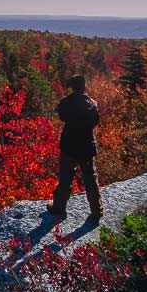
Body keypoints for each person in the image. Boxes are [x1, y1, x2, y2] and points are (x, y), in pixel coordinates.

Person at [47, 74, 103, 222]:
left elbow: (62, 116)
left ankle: (59, 208)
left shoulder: (66, 103)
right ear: (84, 86)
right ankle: (96, 211)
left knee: (65, 179)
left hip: (69, 146)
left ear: (72, 86)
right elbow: (96, 121)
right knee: (91, 179)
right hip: (87, 147)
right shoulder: (93, 104)